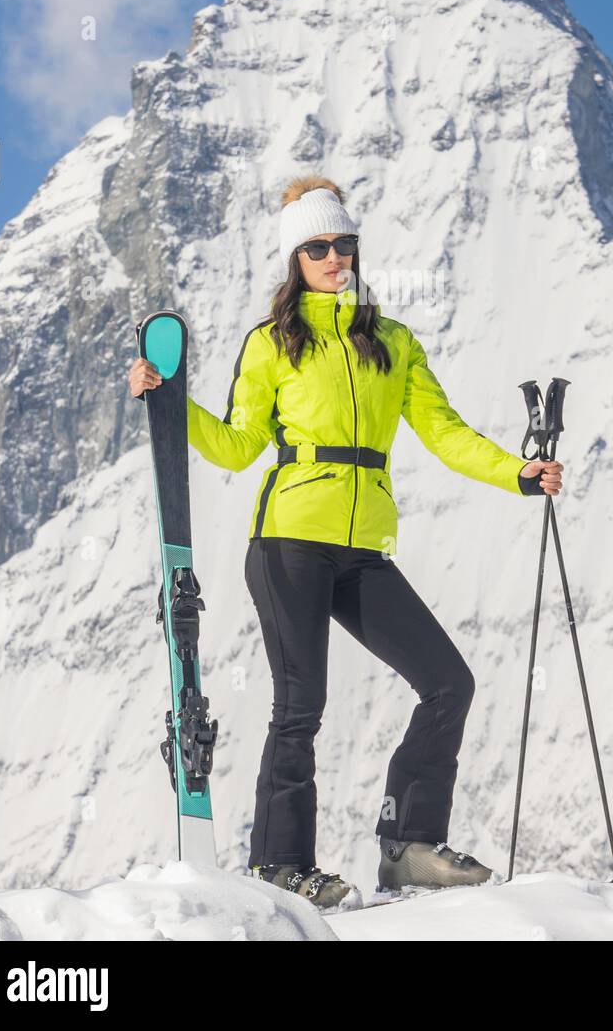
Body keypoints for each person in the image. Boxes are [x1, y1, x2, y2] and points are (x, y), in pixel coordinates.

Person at [129, 174, 562, 910]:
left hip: (363, 551)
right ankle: (279, 865)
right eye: (319, 248)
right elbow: (237, 448)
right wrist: (170, 399)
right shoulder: (273, 345)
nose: (336, 258)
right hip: (288, 540)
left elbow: (444, 432)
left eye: (345, 245)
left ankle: (409, 847)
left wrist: (516, 472)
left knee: (448, 682)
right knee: (301, 704)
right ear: (295, 259)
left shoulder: (392, 342)